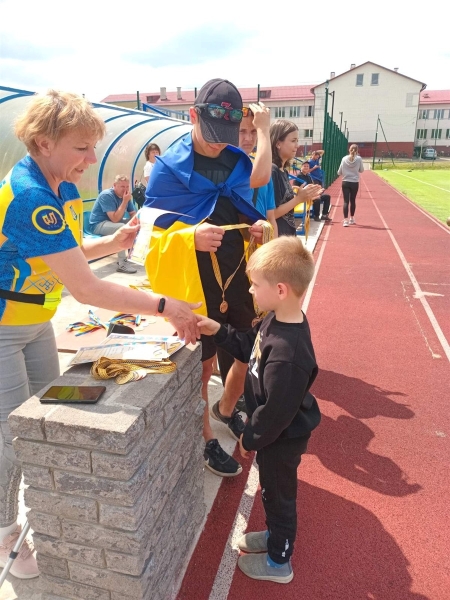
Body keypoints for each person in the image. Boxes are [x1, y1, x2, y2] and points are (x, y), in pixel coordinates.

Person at [0, 90, 201, 580]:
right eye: (81, 148)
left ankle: (38, 511)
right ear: (43, 143)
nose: (91, 159)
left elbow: (62, 255)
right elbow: (86, 289)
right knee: (10, 437)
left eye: (95, 147)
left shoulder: (57, 186)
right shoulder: (30, 195)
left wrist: (112, 241)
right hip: (5, 330)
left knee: (54, 413)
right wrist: (163, 305)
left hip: (33, 323)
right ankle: (7, 535)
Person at [144, 78, 268, 478]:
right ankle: (205, 439)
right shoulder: (166, 169)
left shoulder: (236, 161)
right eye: (212, 133)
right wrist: (187, 236)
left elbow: (242, 203)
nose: (219, 143)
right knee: (203, 360)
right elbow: (147, 229)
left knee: (248, 345)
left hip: (235, 268)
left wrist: (256, 225)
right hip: (196, 276)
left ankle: (226, 408)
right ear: (192, 116)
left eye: (227, 135)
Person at [196, 236, 321, 584]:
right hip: (273, 433)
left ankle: (280, 560)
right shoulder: (275, 321)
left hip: (280, 437)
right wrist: (218, 330)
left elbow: (277, 412)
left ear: (280, 289)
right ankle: (274, 536)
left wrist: (251, 438)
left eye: (255, 284)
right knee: (272, 489)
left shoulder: (287, 352)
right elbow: (248, 347)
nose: (250, 291)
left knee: (277, 494)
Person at [270, 120, 322, 236]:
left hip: (287, 236)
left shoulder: (282, 170)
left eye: (297, 141)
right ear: (278, 143)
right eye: (293, 141)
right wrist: (298, 199)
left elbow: (283, 202)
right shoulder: (272, 170)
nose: (297, 145)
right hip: (278, 240)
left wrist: (303, 194)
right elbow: (271, 214)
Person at [238, 104, 278, 236]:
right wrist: (264, 129)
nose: (248, 139)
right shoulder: (225, 168)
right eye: (242, 131)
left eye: (254, 131)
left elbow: (271, 217)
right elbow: (258, 177)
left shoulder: (264, 170)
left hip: (259, 248)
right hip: (232, 249)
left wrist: (274, 252)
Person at [89, 175, 138, 273]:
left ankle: (133, 255)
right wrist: (124, 201)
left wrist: (137, 222)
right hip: (98, 225)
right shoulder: (107, 195)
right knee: (121, 227)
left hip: (111, 223)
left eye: (127, 187)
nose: (125, 190)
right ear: (114, 185)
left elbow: (133, 214)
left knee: (136, 226)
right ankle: (122, 264)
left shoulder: (126, 195)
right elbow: (115, 219)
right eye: (122, 187)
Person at [338, 144, 364, 227]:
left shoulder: (344, 158)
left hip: (345, 181)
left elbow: (339, 172)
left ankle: (345, 220)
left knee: (346, 201)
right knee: (352, 200)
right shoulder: (359, 159)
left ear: (349, 150)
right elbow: (362, 170)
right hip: (354, 182)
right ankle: (351, 218)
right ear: (357, 150)